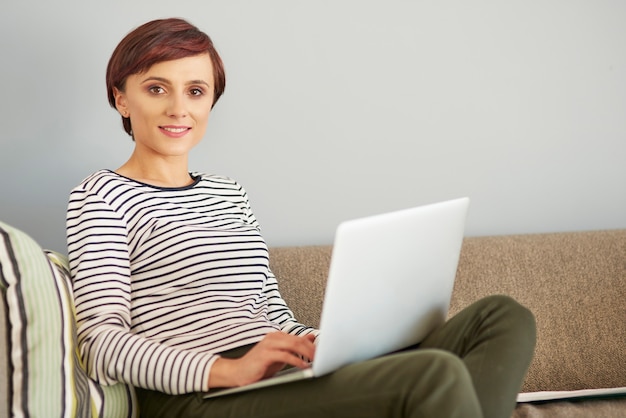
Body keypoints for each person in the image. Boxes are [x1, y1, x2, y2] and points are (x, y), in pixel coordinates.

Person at [66, 17, 536, 418]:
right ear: (122, 99)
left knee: (502, 317)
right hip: (197, 394)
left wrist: (317, 342)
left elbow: (269, 310)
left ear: (210, 101)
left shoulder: (230, 194)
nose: (178, 108)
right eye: (156, 88)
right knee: (435, 372)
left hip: (275, 376)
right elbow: (100, 342)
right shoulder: (100, 196)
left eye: (195, 90)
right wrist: (229, 370)